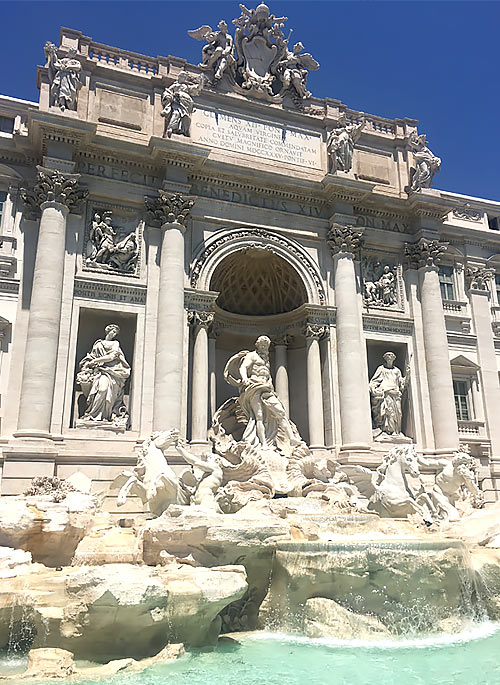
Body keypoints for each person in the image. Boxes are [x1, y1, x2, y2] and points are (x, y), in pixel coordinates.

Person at [230, 335, 298, 449]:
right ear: (257, 345)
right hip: (255, 386)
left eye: (266, 346)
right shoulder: (252, 355)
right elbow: (243, 367)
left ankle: (291, 438)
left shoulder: (266, 359)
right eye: (262, 345)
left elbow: (267, 374)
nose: (264, 347)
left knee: (280, 412)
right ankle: (264, 444)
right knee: (259, 416)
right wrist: (245, 378)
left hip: (266, 388)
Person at [77, 324, 130, 423]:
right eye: (113, 331)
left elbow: (111, 357)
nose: (114, 334)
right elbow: (91, 356)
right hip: (99, 371)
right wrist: (89, 363)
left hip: (112, 372)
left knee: (105, 391)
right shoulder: (98, 344)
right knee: (101, 389)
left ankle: (105, 416)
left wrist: (96, 361)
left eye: (116, 333)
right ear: (108, 331)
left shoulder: (115, 343)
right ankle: (93, 415)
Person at [369, 352, 410, 436]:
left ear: (394, 358)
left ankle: (396, 431)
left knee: (398, 413)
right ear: (385, 358)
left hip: (396, 394)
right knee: (388, 413)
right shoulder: (381, 369)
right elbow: (375, 381)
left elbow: (402, 384)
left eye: (391, 356)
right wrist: (373, 388)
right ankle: (388, 431)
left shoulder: (397, 370)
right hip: (386, 393)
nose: (389, 358)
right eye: (387, 356)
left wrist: (408, 374)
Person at [161, 72, 203, 138]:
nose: (183, 78)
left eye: (185, 77)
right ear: (179, 77)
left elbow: (195, 89)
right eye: (182, 76)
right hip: (177, 102)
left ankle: (182, 130)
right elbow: (167, 92)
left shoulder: (186, 86)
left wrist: (200, 83)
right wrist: (171, 96)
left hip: (186, 104)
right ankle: (171, 128)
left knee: (185, 117)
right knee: (176, 114)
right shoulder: (175, 85)